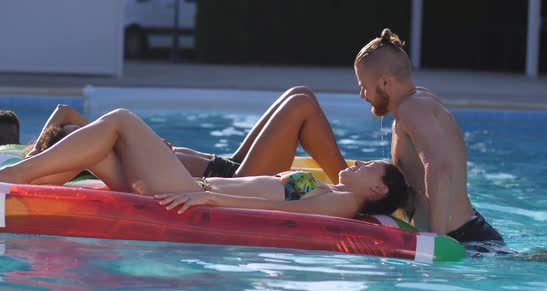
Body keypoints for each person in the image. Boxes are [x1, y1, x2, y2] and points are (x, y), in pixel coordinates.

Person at [0, 108, 410, 218]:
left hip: (190, 192)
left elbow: (281, 210)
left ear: (378, 190)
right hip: (188, 188)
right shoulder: (334, 190)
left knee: (122, 120)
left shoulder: (343, 204)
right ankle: (20, 189)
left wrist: (214, 201)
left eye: (368, 166)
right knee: (100, 147)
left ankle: (13, 176)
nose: (357, 164)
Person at [353, 28, 504, 250]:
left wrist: (436, 242)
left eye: (364, 87)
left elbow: (440, 169)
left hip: (462, 238)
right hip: (466, 230)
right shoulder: (417, 103)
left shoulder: (411, 110)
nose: (362, 95)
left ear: (385, 83)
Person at [27, 86, 347, 185]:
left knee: (298, 93)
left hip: (228, 163)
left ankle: (346, 178)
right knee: (301, 105)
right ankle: (347, 183)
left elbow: (64, 111)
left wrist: (36, 149)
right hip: (236, 179)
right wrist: (39, 161)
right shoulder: (97, 157)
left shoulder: (104, 140)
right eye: (73, 137)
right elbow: (51, 173)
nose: (80, 132)